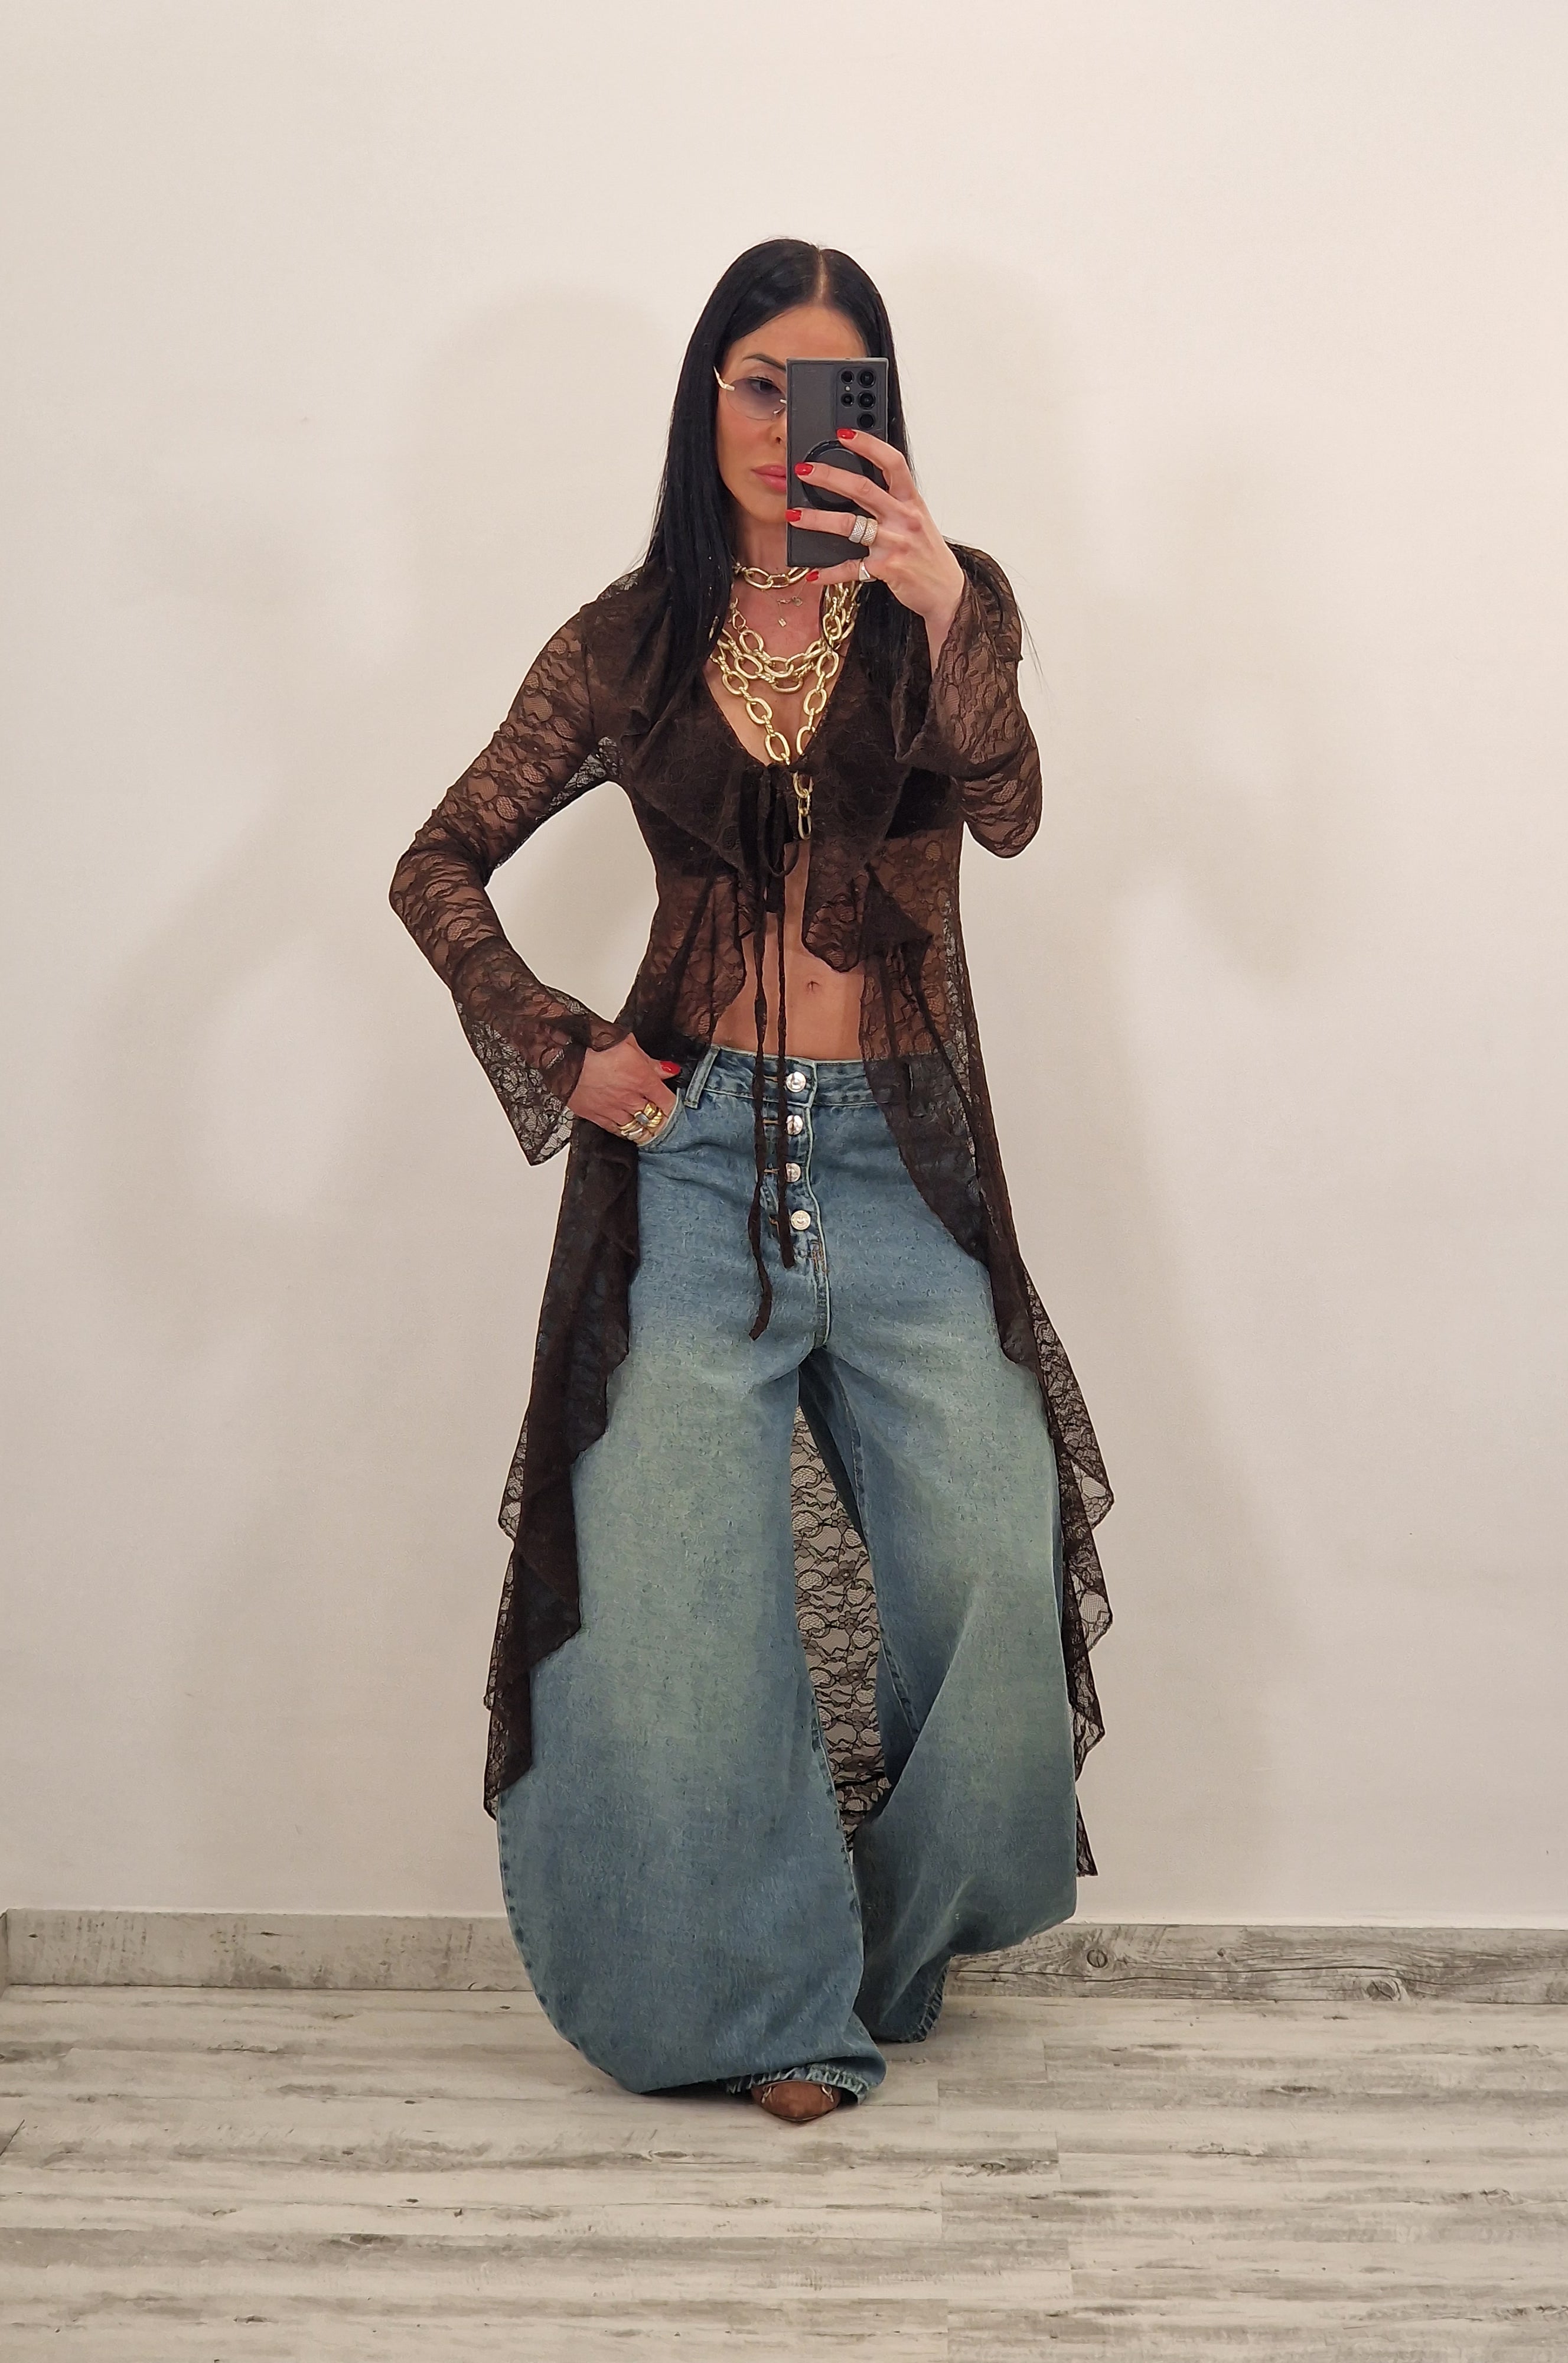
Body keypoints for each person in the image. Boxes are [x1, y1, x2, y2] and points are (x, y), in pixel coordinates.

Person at [390, 240, 1113, 2124]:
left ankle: (869, 1951)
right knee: (679, 1609)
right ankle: (770, 2002)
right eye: (755, 382)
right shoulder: (628, 641)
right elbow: (436, 863)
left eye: (827, 385)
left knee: (993, 1559)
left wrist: (946, 616)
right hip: (694, 1163)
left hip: (896, 1167)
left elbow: (1013, 812)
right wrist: (562, 1047)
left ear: (879, 407)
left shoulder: (946, 600)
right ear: (706, 397)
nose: (787, 422)